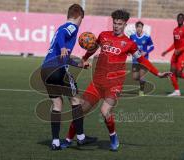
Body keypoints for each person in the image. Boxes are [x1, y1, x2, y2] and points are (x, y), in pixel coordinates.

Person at [61, 9, 170, 151]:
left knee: (105, 111)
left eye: (119, 24)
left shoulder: (129, 43)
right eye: (114, 23)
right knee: (80, 111)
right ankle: (69, 139)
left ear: (125, 24)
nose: (116, 26)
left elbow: (142, 59)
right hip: (97, 82)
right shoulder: (103, 35)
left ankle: (113, 136)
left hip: (114, 84)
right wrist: (84, 58)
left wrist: (158, 73)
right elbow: (93, 49)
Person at [41, 4, 96, 150]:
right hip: (58, 69)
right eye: (81, 20)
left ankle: (55, 142)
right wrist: (64, 46)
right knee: (75, 100)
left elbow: (63, 55)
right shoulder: (72, 26)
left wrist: (79, 64)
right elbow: (61, 36)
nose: (81, 22)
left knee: (57, 104)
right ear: (79, 16)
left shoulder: (61, 27)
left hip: (45, 70)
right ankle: (81, 138)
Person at [130, 21, 154, 96]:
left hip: (144, 60)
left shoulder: (147, 37)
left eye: (140, 27)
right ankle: (142, 82)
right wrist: (128, 52)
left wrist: (146, 52)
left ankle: (141, 91)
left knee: (141, 76)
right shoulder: (132, 36)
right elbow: (129, 46)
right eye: (137, 27)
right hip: (135, 60)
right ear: (136, 28)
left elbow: (152, 46)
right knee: (134, 77)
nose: (138, 28)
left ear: (142, 28)